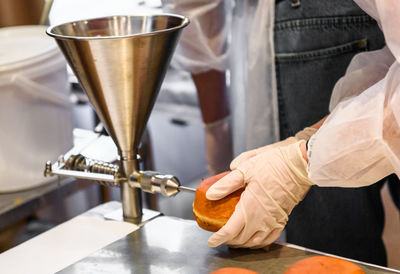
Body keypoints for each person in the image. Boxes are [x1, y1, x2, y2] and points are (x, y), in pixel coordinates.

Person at [162, 0, 397, 266]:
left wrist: (299, 162)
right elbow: (392, 68)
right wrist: (311, 139)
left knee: (327, 254)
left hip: (304, 20)